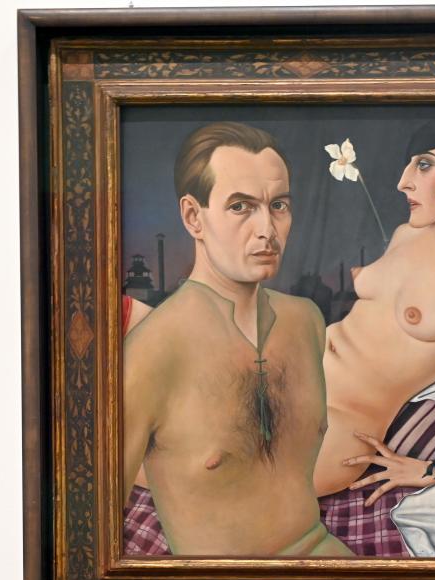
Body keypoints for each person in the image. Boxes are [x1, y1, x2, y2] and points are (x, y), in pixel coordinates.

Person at [123, 122, 352, 556]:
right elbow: (90, 534)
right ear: (193, 217)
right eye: (241, 207)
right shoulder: (151, 352)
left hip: (327, 562)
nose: (267, 229)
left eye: (278, 205)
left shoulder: (306, 321)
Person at [314, 122, 435, 519]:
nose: (402, 182)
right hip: (288, 372)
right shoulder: (405, 234)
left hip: (337, 422)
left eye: (423, 165)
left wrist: (432, 470)